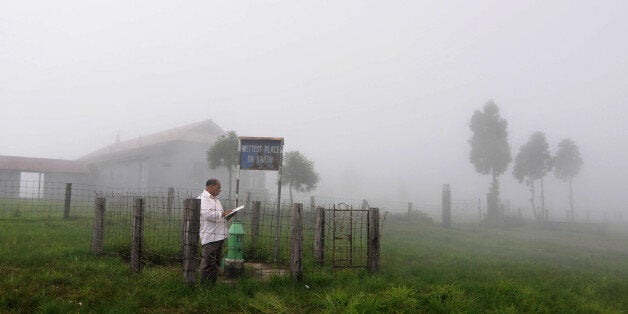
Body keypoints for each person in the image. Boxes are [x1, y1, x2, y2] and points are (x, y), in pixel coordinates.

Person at [199, 178, 233, 286]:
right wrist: (223, 214)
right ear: (211, 187)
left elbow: (218, 215)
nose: (220, 190)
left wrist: (227, 215)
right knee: (208, 262)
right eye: (218, 187)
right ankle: (205, 287)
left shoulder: (215, 199)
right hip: (210, 236)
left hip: (219, 235)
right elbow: (208, 215)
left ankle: (212, 285)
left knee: (216, 262)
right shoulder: (203, 199)